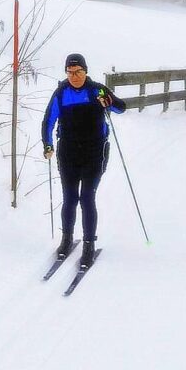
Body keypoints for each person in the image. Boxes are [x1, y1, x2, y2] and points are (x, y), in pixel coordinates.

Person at [41, 53, 127, 269]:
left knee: (87, 197)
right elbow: (48, 121)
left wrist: (108, 101)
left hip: (94, 154)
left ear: (85, 71)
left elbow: (121, 107)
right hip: (68, 154)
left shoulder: (97, 90)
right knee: (70, 198)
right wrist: (48, 145)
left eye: (78, 71)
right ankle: (67, 239)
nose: (74, 76)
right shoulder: (61, 93)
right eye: (70, 72)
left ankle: (89, 244)